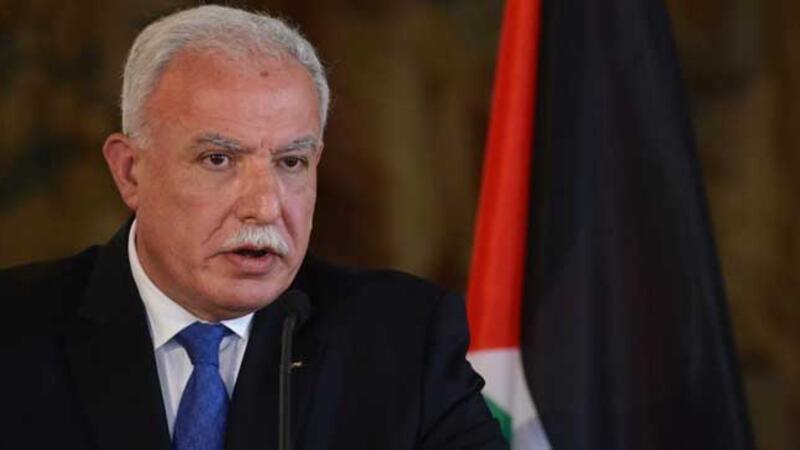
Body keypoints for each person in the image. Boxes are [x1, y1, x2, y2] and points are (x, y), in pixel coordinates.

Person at [0, 5, 506, 450]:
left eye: (291, 162)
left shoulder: (404, 341)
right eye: (218, 159)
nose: (264, 207)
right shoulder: (16, 332)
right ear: (131, 171)